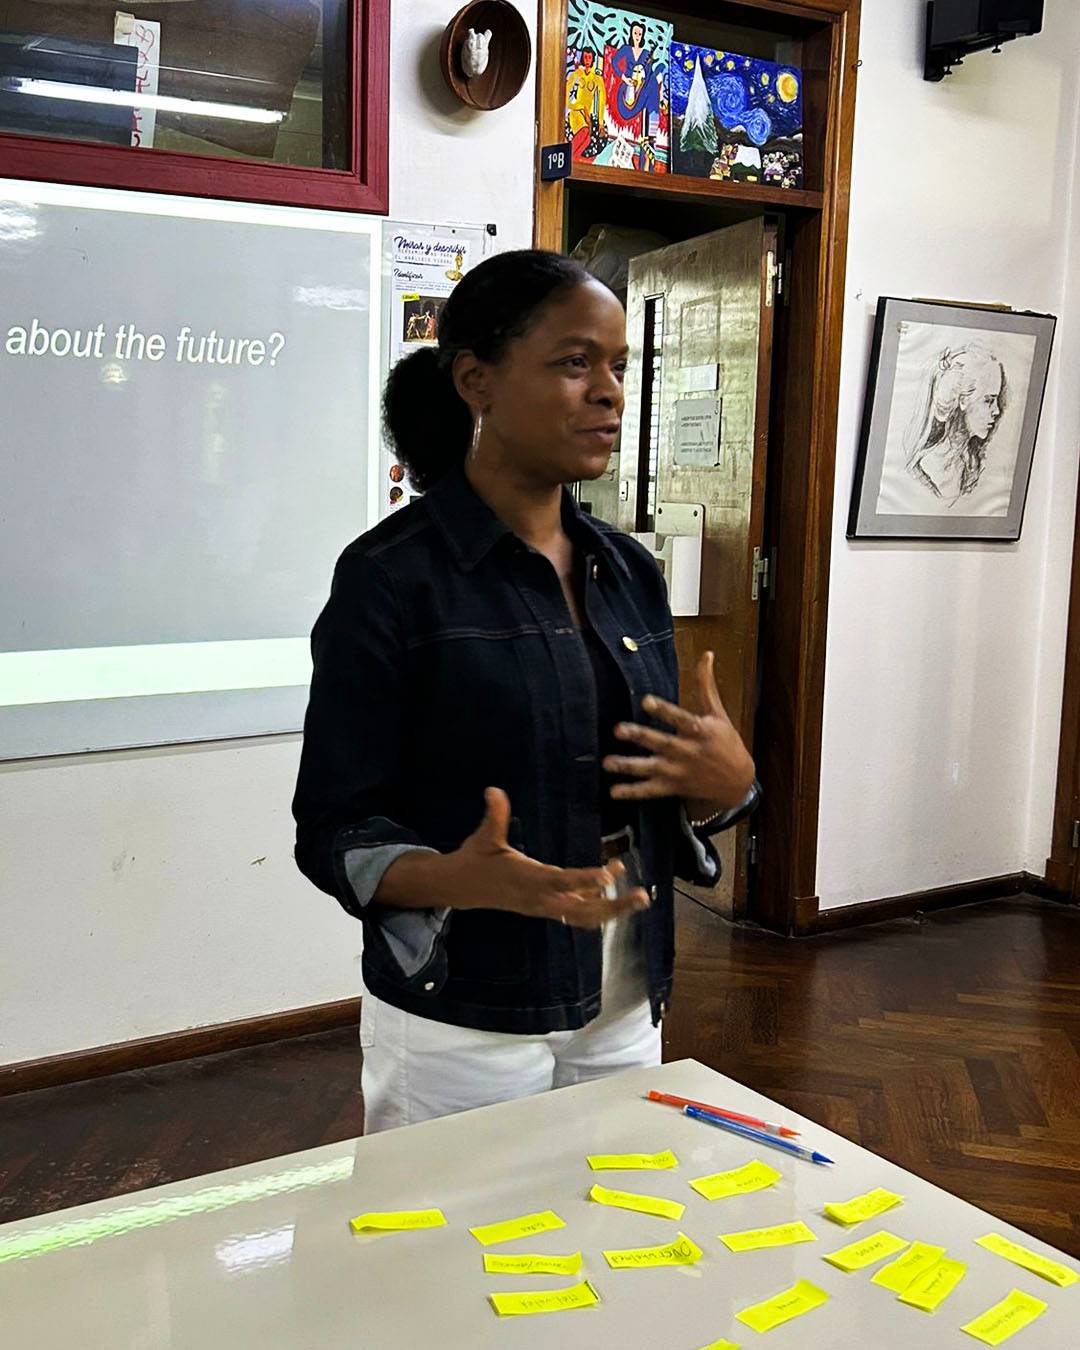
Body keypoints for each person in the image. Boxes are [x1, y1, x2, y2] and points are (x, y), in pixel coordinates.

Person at [292, 250, 759, 1133]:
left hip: (625, 990)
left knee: (608, 1225)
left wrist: (730, 784)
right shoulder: (390, 580)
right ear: (477, 379)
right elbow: (333, 826)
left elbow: (667, 788)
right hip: (463, 1004)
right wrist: (457, 878)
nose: (611, 392)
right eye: (575, 362)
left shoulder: (627, 572)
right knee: (443, 1255)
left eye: (621, 366)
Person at [904, 343, 1006, 505]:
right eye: (989, 400)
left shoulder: (972, 465)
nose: (997, 411)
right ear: (963, 400)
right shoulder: (925, 468)